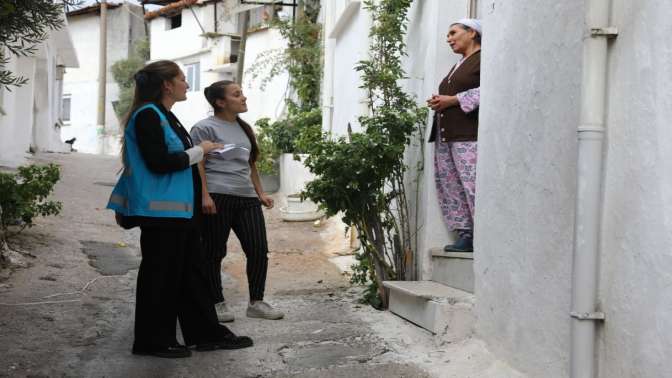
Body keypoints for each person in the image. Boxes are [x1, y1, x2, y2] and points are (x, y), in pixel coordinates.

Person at [106, 61, 254, 358]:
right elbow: (159, 162)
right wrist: (203, 150)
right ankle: (152, 341)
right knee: (160, 278)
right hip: (160, 213)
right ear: (167, 85)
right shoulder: (148, 115)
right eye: (183, 79)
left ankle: (206, 334)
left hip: (179, 212)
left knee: (192, 276)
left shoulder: (165, 115)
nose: (187, 84)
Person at [190, 80, 284, 322]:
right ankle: (216, 302)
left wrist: (260, 192)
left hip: (246, 197)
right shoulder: (203, 128)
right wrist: (204, 195)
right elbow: (198, 163)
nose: (244, 98)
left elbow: (250, 163)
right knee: (214, 252)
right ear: (220, 102)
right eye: (237, 94)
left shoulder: (244, 128)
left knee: (258, 249)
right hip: (217, 195)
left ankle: (256, 302)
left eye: (241, 94)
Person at [427, 19, 482, 253]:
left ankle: (481, 234)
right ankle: (465, 234)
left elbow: (489, 89)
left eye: (453, 33)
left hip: (467, 135)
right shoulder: (460, 64)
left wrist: (454, 100)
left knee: (471, 184)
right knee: (451, 186)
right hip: (446, 134)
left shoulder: (483, 60)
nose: (448, 38)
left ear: (472, 33)